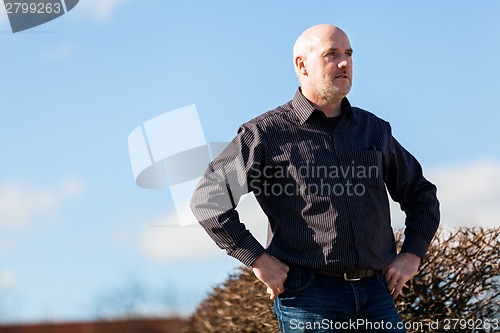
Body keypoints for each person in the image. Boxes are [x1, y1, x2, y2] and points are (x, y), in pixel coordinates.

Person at [190, 24, 440, 332]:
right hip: (308, 297)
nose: (344, 62)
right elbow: (208, 198)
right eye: (331, 54)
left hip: (377, 294)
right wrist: (257, 258)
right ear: (302, 65)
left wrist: (413, 254)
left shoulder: (374, 130)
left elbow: (421, 194)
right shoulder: (265, 134)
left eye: (348, 54)